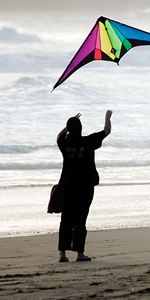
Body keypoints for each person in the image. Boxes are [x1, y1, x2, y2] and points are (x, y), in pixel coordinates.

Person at [55, 109, 112, 262]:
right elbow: (107, 131)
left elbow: (59, 136)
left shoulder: (65, 145)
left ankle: (62, 254)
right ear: (80, 128)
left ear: (69, 129)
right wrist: (107, 116)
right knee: (80, 220)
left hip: (67, 186)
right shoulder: (88, 142)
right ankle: (80, 254)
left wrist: (68, 125)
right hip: (85, 187)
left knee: (65, 220)